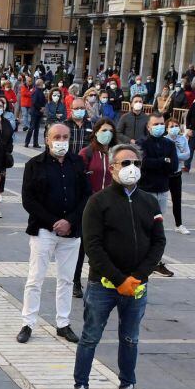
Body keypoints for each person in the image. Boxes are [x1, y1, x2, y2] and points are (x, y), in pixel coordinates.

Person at [71, 144, 165, 389]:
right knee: (90, 337)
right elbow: (93, 246)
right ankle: (80, 388)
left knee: (130, 338)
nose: (131, 168)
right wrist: (119, 279)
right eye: (124, 163)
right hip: (103, 285)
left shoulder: (149, 201)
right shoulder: (98, 201)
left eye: (135, 162)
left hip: (136, 286)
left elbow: (158, 242)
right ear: (112, 167)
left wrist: (137, 277)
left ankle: (126, 388)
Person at [17, 123, 89, 345]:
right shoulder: (34, 165)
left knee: (66, 280)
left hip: (71, 231)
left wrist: (70, 221)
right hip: (43, 230)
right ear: (47, 139)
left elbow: (87, 196)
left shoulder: (77, 163)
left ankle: (63, 323)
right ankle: (28, 323)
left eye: (65, 137)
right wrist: (52, 222)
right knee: (35, 278)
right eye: (56, 136)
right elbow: (28, 199)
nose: (61, 141)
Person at [74, 118, 117, 297]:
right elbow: (79, 179)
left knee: (107, 246)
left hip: (110, 206)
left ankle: (102, 279)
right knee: (83, 246)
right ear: (96, 131)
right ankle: (75, 281)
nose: (107, 134)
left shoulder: (116, 153)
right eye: (103, 130)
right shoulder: (87, 153)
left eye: (110, 131)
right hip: (89, 206)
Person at [138, 113, 176, 277]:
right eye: (155, 124)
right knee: (144, 227)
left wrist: (161, 162)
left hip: (162, 190)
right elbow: (144, 164)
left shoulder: (169, 143)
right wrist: (163, 161)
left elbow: (173, 165)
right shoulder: (142, 143)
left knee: (158, 229)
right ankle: (141, 259)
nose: (159, 127)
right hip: (146, 190)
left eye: (161, 124)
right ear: (148, 126)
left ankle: (156, 261)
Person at [165, 119, 191, 235]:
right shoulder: (164, 140)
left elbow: (187, 155)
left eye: (176, 126)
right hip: (164, 174)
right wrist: (175, 157)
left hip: (176, 174)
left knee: (177, 200)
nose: (174, 128)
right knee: (158, 199)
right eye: (171, 126)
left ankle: (178, 224)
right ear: (167, 128)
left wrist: (174, 156)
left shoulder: (182, 139)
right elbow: (164, 156)